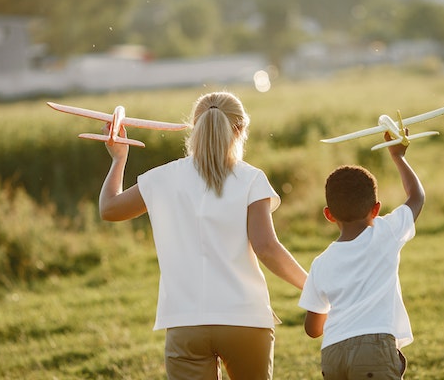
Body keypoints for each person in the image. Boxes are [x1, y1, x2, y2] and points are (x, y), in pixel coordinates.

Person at [98, 91, 308, 380]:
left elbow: (109, 209)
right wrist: (312, 287)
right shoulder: (251, 178)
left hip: (186, 323)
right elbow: (267, 247)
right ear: (240, 130)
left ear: (194, 128)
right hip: (245, 320)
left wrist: (118, 158)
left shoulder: (163, 177)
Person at [298, 132, 425, 379]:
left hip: (332, 353)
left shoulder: (320, 263)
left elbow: (312, 329)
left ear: (328, 214)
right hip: (375, 349)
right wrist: (398, 156)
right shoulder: (386, 232)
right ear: (376, 209)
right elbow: (417, 196)